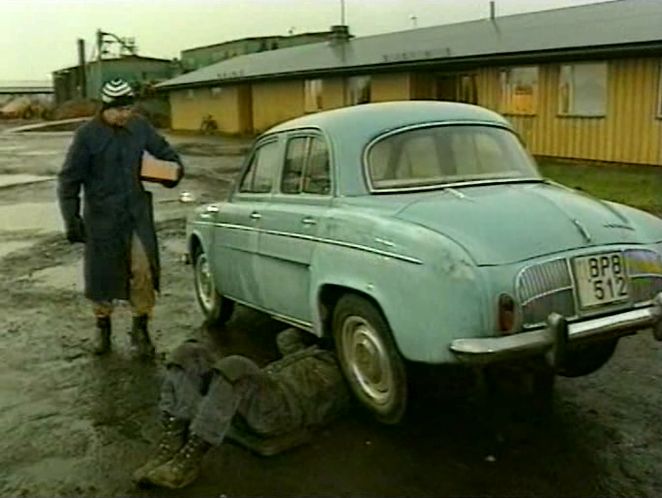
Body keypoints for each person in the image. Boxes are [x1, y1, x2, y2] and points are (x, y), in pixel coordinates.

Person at [57, 78, 184, 358]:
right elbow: (69, 180)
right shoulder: (87, 136)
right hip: (102, 218)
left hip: (136, 215)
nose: (124, 116)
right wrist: (72, 218)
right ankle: (103, 327)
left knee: (143, 271)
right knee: (102, 275)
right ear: (105, 109)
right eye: (118, 111)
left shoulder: (139, 127)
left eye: (128, 109)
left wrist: (174, 170)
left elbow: (164, 151)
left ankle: (141, 328)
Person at [134, 328, 351, 490]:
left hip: (282, 413)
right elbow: (286, 336)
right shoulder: (309, 349)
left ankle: (190, 460)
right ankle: (171, 443)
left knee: (235, 367)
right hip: (254, 400)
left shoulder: (350, 373)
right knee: (189, 352)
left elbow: (327, 406)